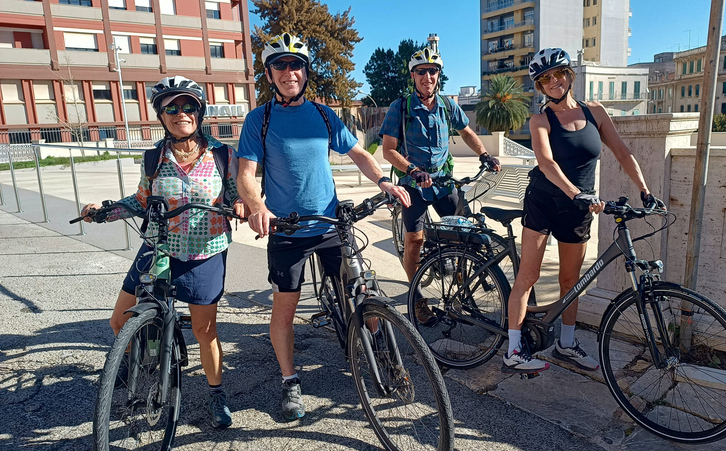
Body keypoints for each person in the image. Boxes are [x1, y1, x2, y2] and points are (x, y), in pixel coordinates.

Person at [236, 33, 411, 421]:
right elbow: (245, 173)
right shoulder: (259, 119)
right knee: (284, 309)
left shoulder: (321, 114)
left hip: (331, 222)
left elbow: (359, 153)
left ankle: (379, 345)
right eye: (280, 65)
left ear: (305, 71)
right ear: (269, 74)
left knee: (363, 288)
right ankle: (290, 381)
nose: (289, 72)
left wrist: (383, 181)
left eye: (295, 64)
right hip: (287, 230)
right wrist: (257, 205)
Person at [81, 76, 245, 428]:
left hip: (205, 252)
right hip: (159, 247)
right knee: (119, 320)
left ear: (198, 112)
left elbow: (236, 195)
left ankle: (217, 394)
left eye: (187, 106)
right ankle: (133, 363)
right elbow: (141, 200)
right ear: (161, 115)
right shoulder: (154, 157)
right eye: (171, 107)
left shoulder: (222, 154)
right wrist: (103, 211)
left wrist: (242, 206)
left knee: (204, 331)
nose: (179, 113)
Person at [502, 48, 664, 374]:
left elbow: (622, 151)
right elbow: (546, 163)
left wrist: (645, 191)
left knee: (570, 281)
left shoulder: (595, 112)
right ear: (539, 85)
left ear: (569, 73)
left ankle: (566, 342)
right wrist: (577, 193)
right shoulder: (540, 120)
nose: (553, 82)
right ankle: (514, 349)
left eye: (557, 73)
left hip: (578, 208)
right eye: (544, 79)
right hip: (545, 202)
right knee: (528, 276)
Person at [379, 47, 502, 325]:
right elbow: (388, 150)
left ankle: (460, 275)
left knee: (464, 231)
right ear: (413, 75)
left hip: (444, 182)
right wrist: (413, 169)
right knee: (415, 241)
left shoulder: (447, 105)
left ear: (438, 75)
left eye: (432, 71)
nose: (427, 76)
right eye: (421, 71)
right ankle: (417, 297)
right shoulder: (401, 107)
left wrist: (484, 154)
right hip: (414, 183)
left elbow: (467, 132)